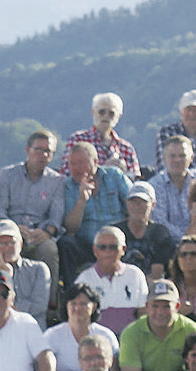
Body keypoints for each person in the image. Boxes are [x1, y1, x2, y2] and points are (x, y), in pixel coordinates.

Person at [0, 130, 65, 300]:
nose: (43, 155)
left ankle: (49, 303)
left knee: (49, 249)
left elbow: (56, 217)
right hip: (10, 230)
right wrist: (13, 229)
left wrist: (46, 232)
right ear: (28, 150)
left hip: (38, 233)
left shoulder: (57, 181)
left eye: (48, 151)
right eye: (38, 149)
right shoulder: (8, 175)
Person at [59, 142, 130, 288]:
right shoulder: (68, 186)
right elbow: (70, 228)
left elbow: (133, 202)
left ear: (96, 162)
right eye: (73, 164)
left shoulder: (113, 176)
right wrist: (81, 200)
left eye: (82, 163)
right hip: (88, 244)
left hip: (118, 241)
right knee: (65, 244)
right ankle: (72, 294)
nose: (77, 168)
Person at [118, 279, 196, 371]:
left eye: (166, 306)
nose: (160, 312)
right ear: (147, 307)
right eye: (155, 306)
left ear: (177, 306)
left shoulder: (191, 330)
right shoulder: (131, 333)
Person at [76, 226, 149, 335]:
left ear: (123, 249)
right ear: (95, 250)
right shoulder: (84, 279)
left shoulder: (135, 274)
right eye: (102, 247)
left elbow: (143, 312)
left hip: (131, 338)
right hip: (96, 340)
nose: (107, 251)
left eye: (113, 247)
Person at [45, 282, 119, 371]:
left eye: (83, 304)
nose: (78, 308)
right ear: (66, 306)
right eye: (73, 304)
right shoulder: (52, 335)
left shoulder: (106, 335)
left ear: (94, 306)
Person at [0, 219, 51, 321]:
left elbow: (38, 307)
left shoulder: (38, 269)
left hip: (31, 330)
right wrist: (5, 274)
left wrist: (4, 306)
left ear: (20, 244)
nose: (8, 247)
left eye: (11, 242)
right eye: (2, 244)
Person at [61, 92, 139, 179]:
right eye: (101, 112)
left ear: (119, 116)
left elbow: (135, 179)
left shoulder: (126, 148)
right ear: (93, 112)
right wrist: (103, 169)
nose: (106, 116)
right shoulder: (78, 140)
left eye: (111, 113)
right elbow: (66, 173)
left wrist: (122, 171)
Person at [117, 181, 174, 279]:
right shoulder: (116, 232)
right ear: (127, 203)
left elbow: (157, 273)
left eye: (142, 202)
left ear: (153, 205)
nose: (137, 206)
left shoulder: (161, 233)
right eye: (133, 202)